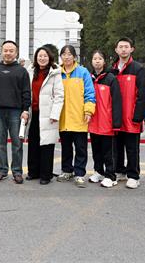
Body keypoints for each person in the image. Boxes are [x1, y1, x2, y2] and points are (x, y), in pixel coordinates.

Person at [0, 40, 31, 184]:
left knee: (17, 143)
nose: (8, 53)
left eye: (11, 50)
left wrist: (25, 110)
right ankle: (2, 170)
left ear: (16, 53)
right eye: (5, 50)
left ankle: (17, 171)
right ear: (1, 51)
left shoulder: (22, 71)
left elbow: (26, 92)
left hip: (16, 112)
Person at [110, 37, 145, 189]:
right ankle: (119, 170)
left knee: (132, 148)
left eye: (126, 46)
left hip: (131, 116)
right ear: (116, 50)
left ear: (132, 49)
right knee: (116, 147)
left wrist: (138, 116)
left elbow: (144, 94)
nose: (123, 49)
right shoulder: (112, 69)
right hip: (116, 116)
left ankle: (133, 175)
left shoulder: (138, 69)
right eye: (121, 47)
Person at [57, 45, 96, 187]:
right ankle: (67, 170)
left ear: (74, 57)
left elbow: (90, 93)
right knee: (66, 147)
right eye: (64, 54)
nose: (66, 57)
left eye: (69, 54)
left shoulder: (82, 72)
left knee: (80, 148)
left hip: (79, 117)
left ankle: (79, 173)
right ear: (60, 56)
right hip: (63, 117)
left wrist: (88, 111)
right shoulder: (57, 73)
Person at [26, 46, 64, 185]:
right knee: (33, 143)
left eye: (45, 56)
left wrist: (55, 114)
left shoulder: (55, 73)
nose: (42, 58)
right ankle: (33, 172)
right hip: (33, 113)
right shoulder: (30, 71)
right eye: (39, 56)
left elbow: (59, 95)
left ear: (49, 58)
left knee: (47, 145)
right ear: (36, 58)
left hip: (48, 114)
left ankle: (45, 175)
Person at [88, 50, 122, 188]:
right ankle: (98, 171)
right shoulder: (89, 78)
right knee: (96, 149)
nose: (97, 61)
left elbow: (117, 101)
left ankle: (111, 175)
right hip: (94, 121)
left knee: (109, 151)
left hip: (107, 122)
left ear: (104, 61)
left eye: (99, 58)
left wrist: (116, 122)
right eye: (94, 58)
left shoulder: (110, 79)